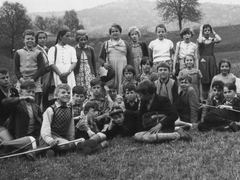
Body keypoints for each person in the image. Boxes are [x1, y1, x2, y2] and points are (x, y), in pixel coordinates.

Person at [1, 80, 42, 152]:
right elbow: (5, 102)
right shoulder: (17, 105)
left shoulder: (36, 107)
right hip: (19, 136)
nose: (31, 94)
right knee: (31, 142)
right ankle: (8, 144)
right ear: (20, 92)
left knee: (37, 140)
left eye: (33, 92)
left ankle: (12, 146)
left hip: (32, 135)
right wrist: (22, 98)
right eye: (29, 91)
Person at [39, 84, 76, 154]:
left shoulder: (70, 109)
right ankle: (46, 149)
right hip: (50, 137)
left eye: (68, 93)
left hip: (62, 138)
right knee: (66, 144)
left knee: (72, 144)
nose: (67, 94)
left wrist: (71, 140)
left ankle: (52, 151)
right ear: (56, 95)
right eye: (63, 92)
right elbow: (45, 128)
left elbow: (71, 127)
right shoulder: (50, 110)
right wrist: (50, 140)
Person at [98, 23, 134, 92]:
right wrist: (104, 64)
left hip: (123, 67)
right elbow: (99, 58)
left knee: (122, 82)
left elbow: (130, 58)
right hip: (111, 68)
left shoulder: (125, 44)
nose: (115, 33)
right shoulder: (106, 44)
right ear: (110, 33)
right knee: (111, 83)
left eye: (116, 31)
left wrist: (130, 70)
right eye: (113, 31)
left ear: (120, 32)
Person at [14, 29, 45, 105]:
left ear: (35, 40)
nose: (30, 40)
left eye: (32, 38)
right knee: (20, 103)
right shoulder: (18, 52)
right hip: (22, 80)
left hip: (35, 80)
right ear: (23, 40)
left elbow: (41, 68)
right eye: (28, 39)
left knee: (35, 102)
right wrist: (21, 79)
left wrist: (33, 79)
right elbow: (16, 68)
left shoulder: (38, 53)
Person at [48, 27, 77, 97]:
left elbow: (74, 62)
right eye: (67, 36)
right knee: (60, 91)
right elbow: (51, 64)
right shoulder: (52, 49)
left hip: (69, 73)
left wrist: (68, 72)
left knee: (70, 90)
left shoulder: (71, 49)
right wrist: (60, 75)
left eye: (69, 36)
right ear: (61, 37)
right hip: (58, 73)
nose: (69, 38)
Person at [197, 24, 221, 99]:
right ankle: (204, 98)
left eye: (208, 30)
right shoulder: (201, 39)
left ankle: (213, 97)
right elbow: (200, 41)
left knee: (212, 78)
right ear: (203, 32)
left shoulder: (212, 40)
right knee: (205, 79)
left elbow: (219, 39)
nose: (207, 32)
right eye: (205, 30)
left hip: (211, 60)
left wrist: (213, 31)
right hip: (203, 61)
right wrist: (200, 30)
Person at [0, 68, 18, 141]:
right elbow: (4, 101)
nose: (6, 79)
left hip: (14, 123)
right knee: (10, 141)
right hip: (1, 124)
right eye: (3, 78)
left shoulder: (14, 91)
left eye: (7, 77)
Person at [35, 31, 51, 112]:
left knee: (46, 96)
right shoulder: (36, 50)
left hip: (48, 75)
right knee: (40, 96)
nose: (42, 40)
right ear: (36, 40)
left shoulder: (47, 49)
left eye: (44, 38)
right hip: (41, 75)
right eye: (40, 38)